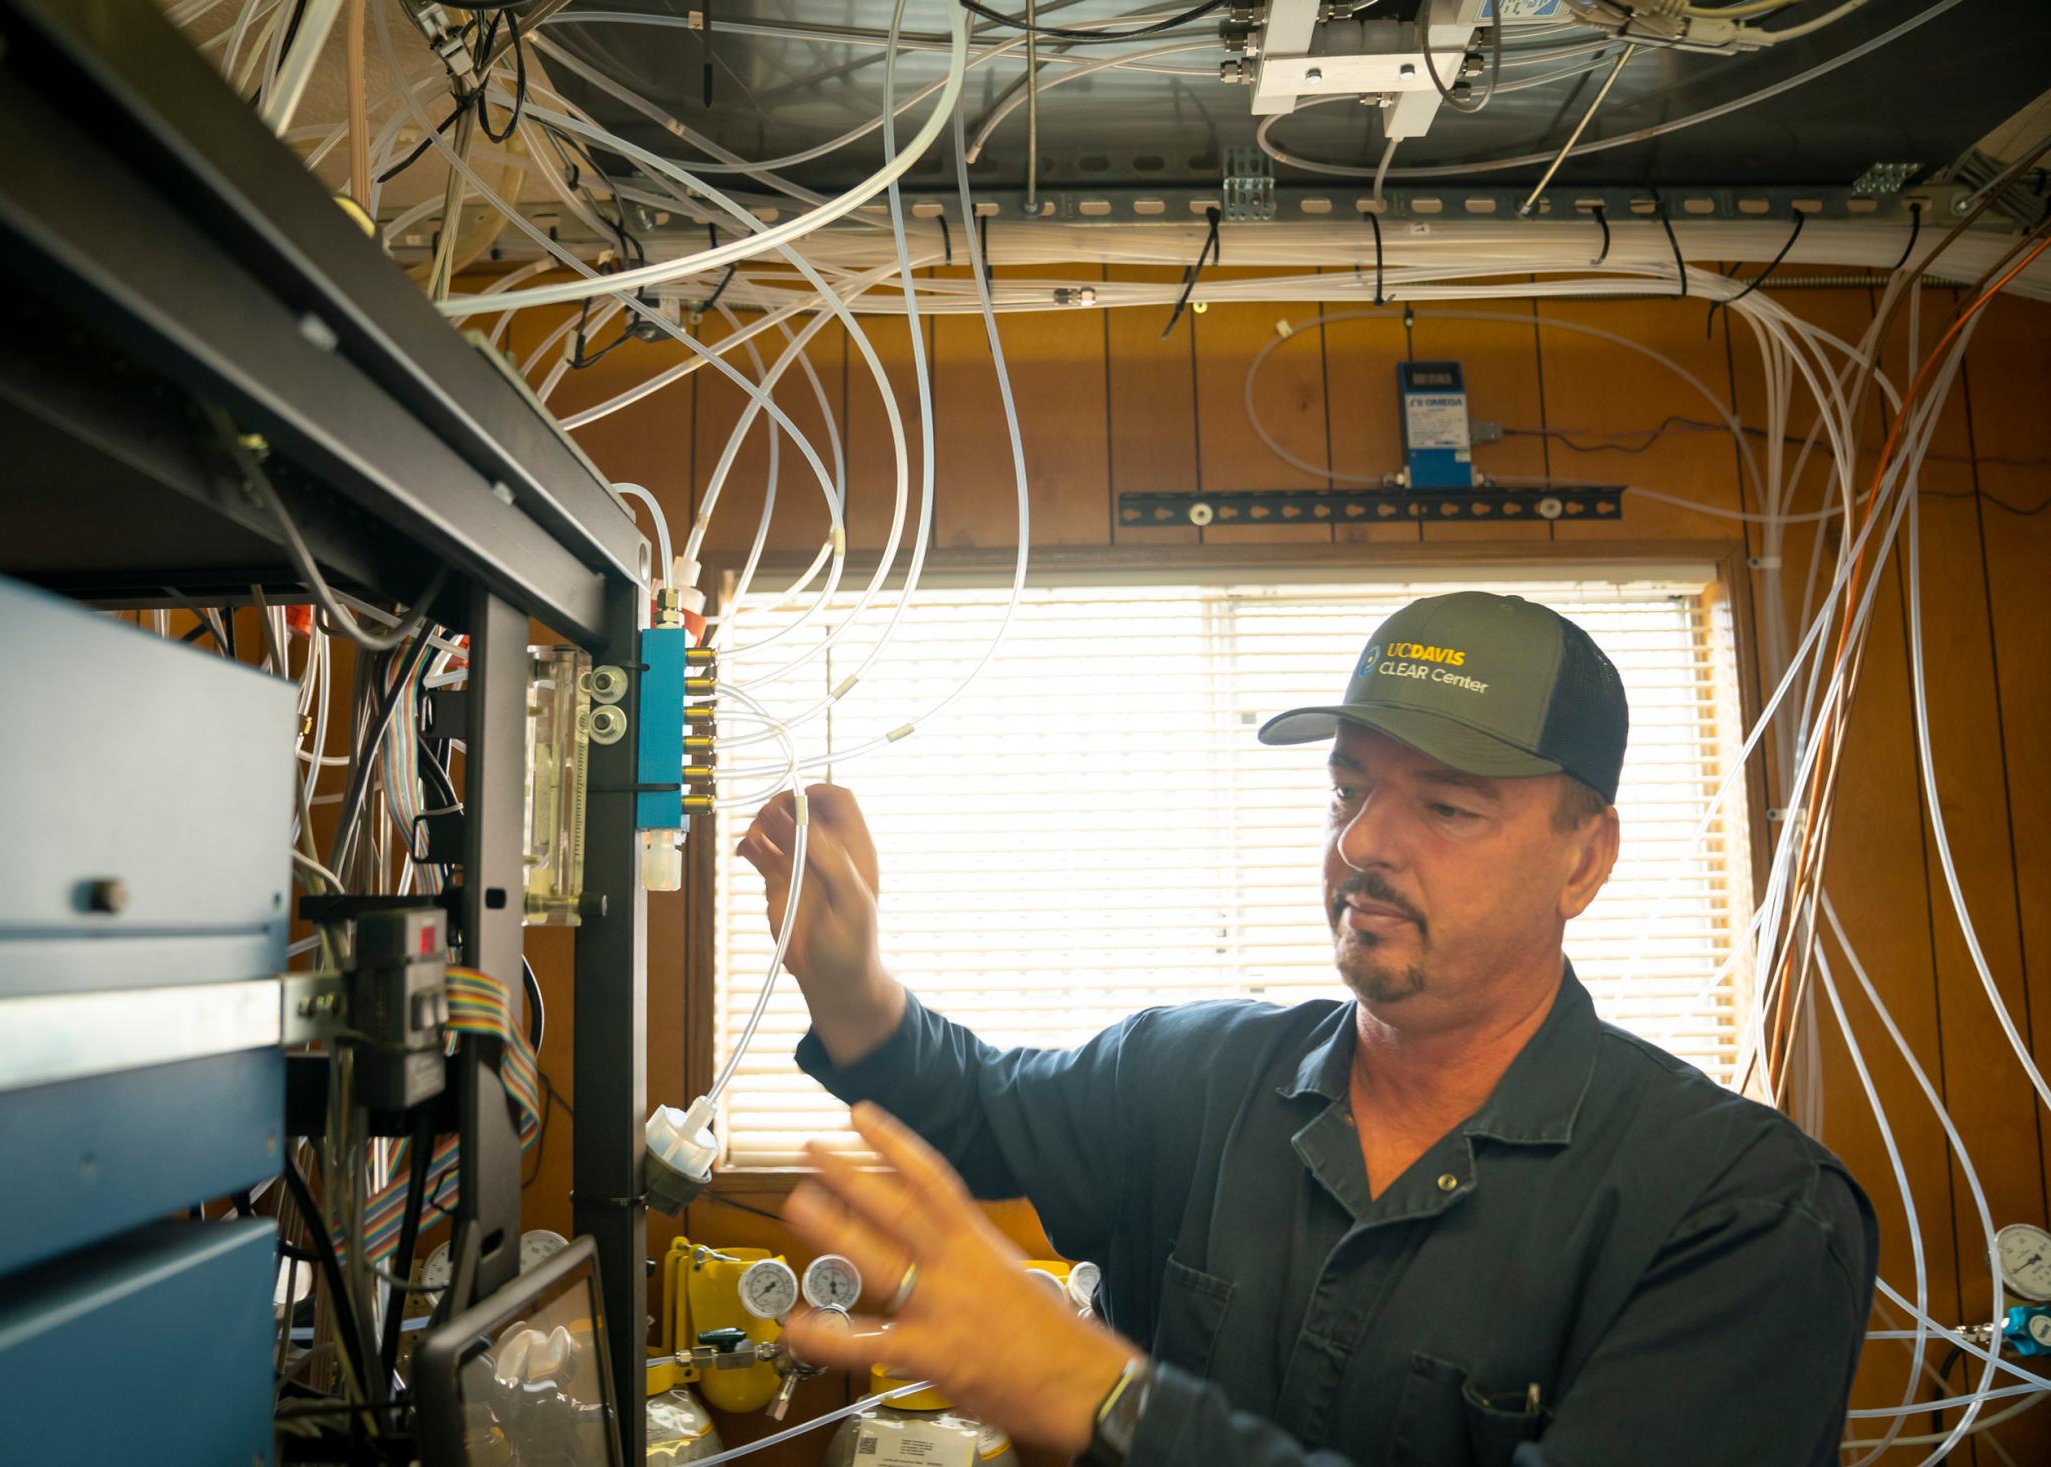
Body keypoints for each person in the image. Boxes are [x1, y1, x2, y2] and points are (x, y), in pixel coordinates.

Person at [736, 591, 1876, 1467]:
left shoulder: (1743, 1210)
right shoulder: (1197, 1071)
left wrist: (1108, 1397)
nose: (1366, 842)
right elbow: (976, 1111)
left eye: (1444, 804)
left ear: (1583, 858)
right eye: (1348, 789)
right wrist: (850, 983)